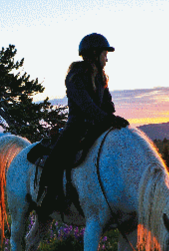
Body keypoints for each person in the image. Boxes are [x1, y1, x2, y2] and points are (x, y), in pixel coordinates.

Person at [37, 33, 129, 209]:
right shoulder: (75, 77)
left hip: (99, 126)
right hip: (77, 127)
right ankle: (47, 196)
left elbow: (108, 105)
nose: (106, 59)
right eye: (104, 54)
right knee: (55, 159)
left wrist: (114, 119)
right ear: (94, 53)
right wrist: (109, 119)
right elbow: (87, 107)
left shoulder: (102, 78)